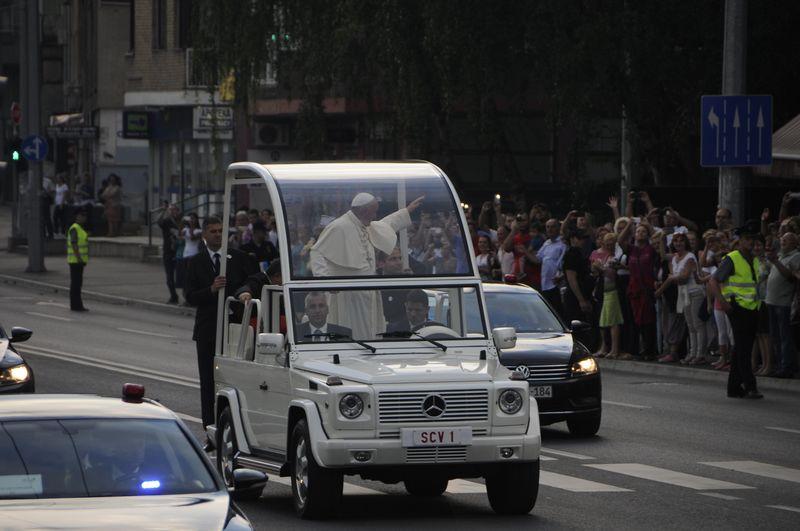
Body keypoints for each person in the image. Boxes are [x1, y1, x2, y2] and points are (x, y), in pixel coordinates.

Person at [309, 192, 424, 339]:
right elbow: (317, 251)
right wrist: (324, 281)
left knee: (370, 334)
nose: (375, 215)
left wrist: (406, 211)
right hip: (348, 296)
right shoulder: (339, 226)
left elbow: (386, 224)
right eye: (374, 211)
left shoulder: (364, 225)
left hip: (367, 294)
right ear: (364, 211)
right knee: (353, 337)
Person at [185, 216, 258, 444]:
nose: (218, 235)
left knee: (234, 382)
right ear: (204, 234)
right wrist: (211, 289)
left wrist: (244, 291)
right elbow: (189, 297)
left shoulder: (237, 258)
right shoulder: (194, 262)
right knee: (209, 383)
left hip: (234, 330)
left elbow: (254, 278)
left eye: (220, 231)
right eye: (213, 231)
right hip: (208, 330)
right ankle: (211, 433)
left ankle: (236, 432)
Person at [708, 226, 764, 399]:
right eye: (747, 239)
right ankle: (750, 386)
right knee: (744, 349)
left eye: (752, 239)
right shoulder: (732, 258)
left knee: (741, 348)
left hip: (752, 308)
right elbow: (714, 280)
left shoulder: (754, 259)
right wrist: (723, 302)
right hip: (737, 308)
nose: (750, 242)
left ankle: (733, 387)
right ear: (739, 241)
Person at [655, 232, 706, 365]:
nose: (678, 243)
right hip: (684, 293)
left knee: (697, 324)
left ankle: (700, 354)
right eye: (676, 241)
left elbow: (683, 277)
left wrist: (670, 280)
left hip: (695, 292)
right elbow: (663, 257)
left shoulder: (689, 257)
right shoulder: (674, 257)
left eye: (681, 241)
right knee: (690, 325)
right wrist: (662, 239)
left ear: (686, 243)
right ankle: (692, 353)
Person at [764, 232, 800, 378]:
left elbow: (791, 278)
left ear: (794, 243)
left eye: (786, 240)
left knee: (785, 336)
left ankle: (787, 367)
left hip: (783, 303)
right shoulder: (780, 255)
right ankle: (780, 365)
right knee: (776, 335)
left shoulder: (796, 256)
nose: (782, 242)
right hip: (772, 301)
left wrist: (776, 262)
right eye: (782, 239)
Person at [627, 223, 658, 359]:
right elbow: (620, 240)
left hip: (647, 287)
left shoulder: (650, 249)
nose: (640, 233)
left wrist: (647, 224)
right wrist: (629, 224)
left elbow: (657, 238)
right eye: (638, 231)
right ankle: (637, 349)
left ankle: (649, 350)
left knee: (648, 320)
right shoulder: (631, 249)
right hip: (635, 289)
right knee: (636, 320)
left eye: (643, 232)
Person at [533, 218, 567, 317]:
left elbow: (563, 262)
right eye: (547, 227)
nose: (550, 229)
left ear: (558, 228)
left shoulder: (562, 244)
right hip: (545, 284)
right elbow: (537, 259)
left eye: (553, 227)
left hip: (556, 284)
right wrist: (525, 251)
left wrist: (561, 276)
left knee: (559, 312)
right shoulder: (546, 243)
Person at [157, 203, 181, 304]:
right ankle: (173, 296)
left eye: (174, 210)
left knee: (182, 275)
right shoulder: (167, 221)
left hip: (180, 251)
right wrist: (163, 211)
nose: (172, 212)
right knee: (169, 276)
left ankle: (187, 296)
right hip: (169, 251)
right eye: (170, 210)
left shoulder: (181, 222)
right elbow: (159, 222)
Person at [67, 208, 90, 312]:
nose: (84, 218)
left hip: (78, 261)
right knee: (76, 284)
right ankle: (76, 305)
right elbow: (74, 244)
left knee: (77, 284)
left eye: (85, 216)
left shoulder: (79, 228)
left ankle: (77, 305)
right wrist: (79, 258)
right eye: (82, 215)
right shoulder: (75, 228)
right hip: (76, 261)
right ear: (77, 216)